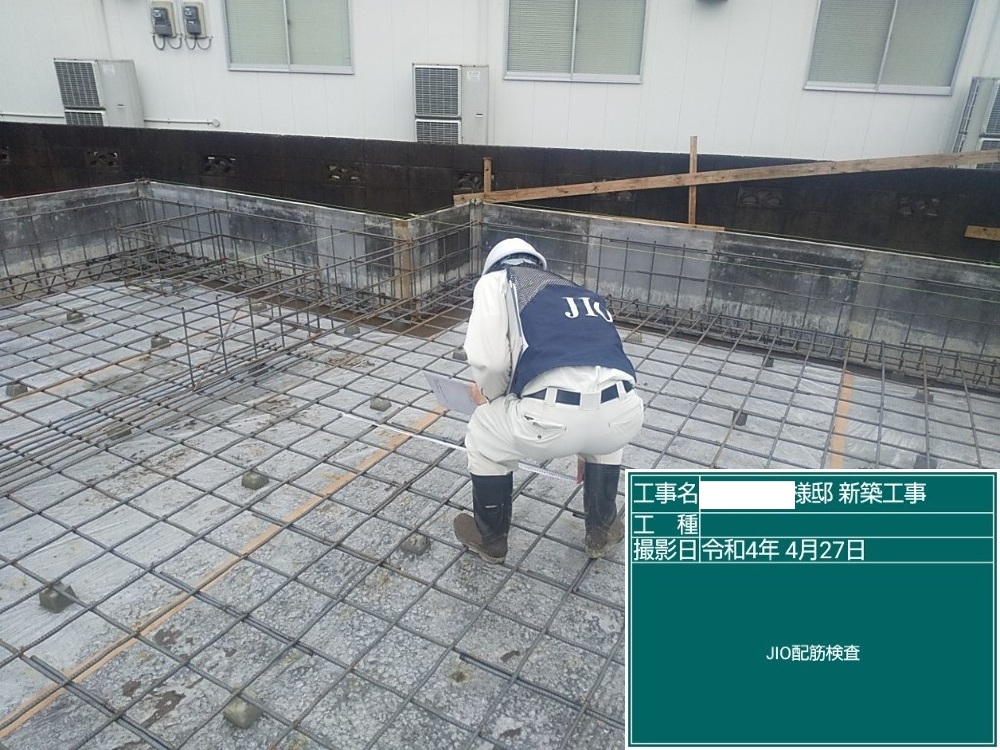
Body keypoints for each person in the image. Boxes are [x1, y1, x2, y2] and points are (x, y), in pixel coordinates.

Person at [453, 237, 645, 564]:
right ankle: (601, 530)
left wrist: (487, 395)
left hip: (550, 422)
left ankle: (491, 538)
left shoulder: (496, 282)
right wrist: (589, 443)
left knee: (484, 431)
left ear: (493, 267)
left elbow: (493, 363)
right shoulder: (572, 290)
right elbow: (592, 366)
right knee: (607, 421)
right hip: (624, 414)